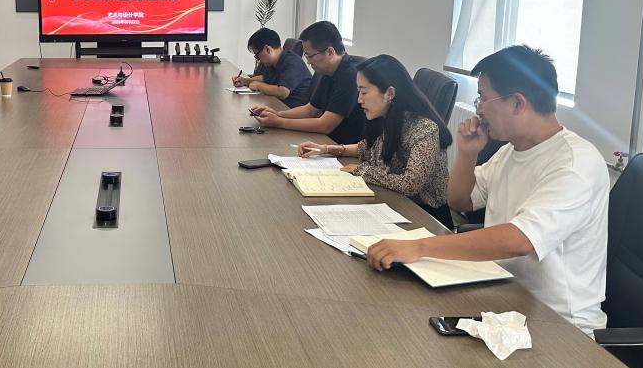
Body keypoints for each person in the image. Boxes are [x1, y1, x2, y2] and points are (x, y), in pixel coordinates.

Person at [365, 46, 608, 336]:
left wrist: (419, 247)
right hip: (503, 295)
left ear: (517, 103)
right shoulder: (511, 151)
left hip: (560, 326)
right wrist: (467, 153)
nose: (478, 108)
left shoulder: (575, 163)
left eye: (482, 97)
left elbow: (520, 239)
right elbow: (460, 200)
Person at [297, 55, 453, 227]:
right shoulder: (388, 116)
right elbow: (368, 147)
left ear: (389, 93)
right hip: (394, 203)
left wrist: (363, 170)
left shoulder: (424, 128)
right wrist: (326, 149)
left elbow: (410, 183)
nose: (359, 100)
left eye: (364, 92)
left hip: (425, 216)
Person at [251, 21, 366, 144]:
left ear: (330, 52)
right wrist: (277, 114)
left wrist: (280, 122)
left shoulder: (350, 75)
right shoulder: (328, 71)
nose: (308, 62)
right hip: (327, 141)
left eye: (310, 56)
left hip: (343, 146)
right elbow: (310, 110)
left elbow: (325, 125)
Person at [231, 28, 313, 108]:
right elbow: (265, 78)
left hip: (292, 109)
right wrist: (245, 81)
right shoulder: (272, 61)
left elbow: (283, 92)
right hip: (278, 104)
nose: (258, 59)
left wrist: (258, 86)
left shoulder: (292, 62)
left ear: (268, 49)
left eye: (257, 55)